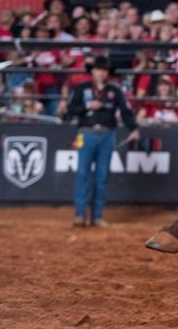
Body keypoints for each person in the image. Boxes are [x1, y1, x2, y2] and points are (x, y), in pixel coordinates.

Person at [61, 55, 139, 227]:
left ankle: (97, 216)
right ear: (93, 71)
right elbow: (70, 110)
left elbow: (125, 111)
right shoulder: (81, 89)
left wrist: (133, 128)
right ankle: (80, 214)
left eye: (104, 70)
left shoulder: (114, 90)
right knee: (83, 173)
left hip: (107, 134)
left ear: (107, 72)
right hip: (86, 133)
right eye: (98, 69)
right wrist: (87, 107)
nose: (101, 73)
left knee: (102, 176)